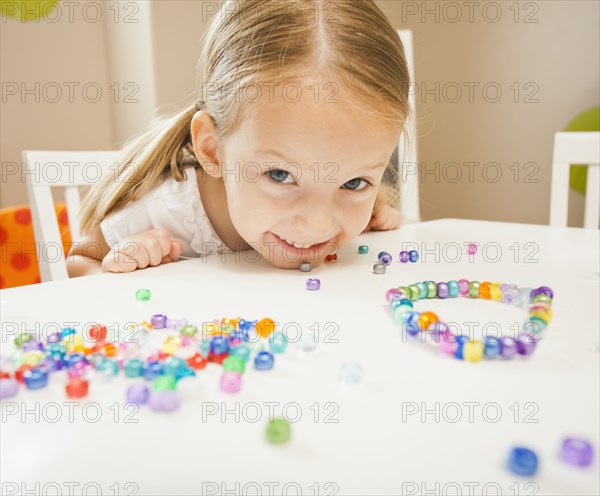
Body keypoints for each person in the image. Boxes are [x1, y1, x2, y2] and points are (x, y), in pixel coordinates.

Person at [68, 0, 411, 277]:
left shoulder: (329, 199)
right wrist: (118, 268)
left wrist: (375, 209)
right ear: (213, 150)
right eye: (281, 175)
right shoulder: (162, 211)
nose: (317, 224)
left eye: (353, 183)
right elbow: (78, 260)